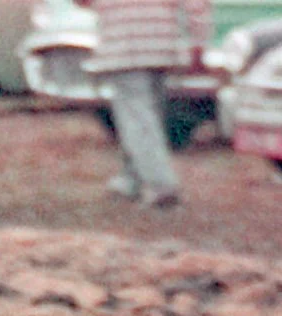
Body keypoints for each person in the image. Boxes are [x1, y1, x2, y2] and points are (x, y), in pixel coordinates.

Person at [77, 0, 210, 208]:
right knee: (149, 116)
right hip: (161, 45)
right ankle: (132, 179)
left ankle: (161, 186)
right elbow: (197, 5)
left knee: (137, 120)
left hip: (123, 46)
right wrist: (198, 44)